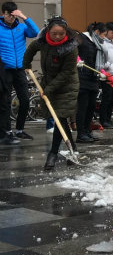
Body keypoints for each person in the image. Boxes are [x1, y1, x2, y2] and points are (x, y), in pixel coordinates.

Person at [22, 17, 80, 170]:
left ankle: (53, 154)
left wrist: (48, 89)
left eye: (61, 34)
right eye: (54, 34)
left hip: (67, 86)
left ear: (66, 32)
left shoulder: (71, 47)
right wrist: (26, 63)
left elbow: (66, 72)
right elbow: (31, 48)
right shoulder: (43, 41)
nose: (58, 37)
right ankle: (73, 149)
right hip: (49, 83)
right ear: (48, 31)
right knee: (60, 119)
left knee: (60, 117)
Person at [0, 2, 40, 144]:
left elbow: (36, 33)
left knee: (25, 100)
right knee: (5, 102)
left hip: (20, 69)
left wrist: (23, 17)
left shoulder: (21, 27)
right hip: (4, 70)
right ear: (3, 14)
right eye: (8, 15)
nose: (11, 17)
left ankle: (19, 130)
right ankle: (6, 132)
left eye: (13, 15)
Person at [75, 22, 108, 143]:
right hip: (82, 77)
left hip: (93, 78)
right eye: (104, 34)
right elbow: (73, 51)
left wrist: (101, 71)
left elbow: (97, 61)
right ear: (97, 32)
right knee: (83, 106)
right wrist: (77, 60)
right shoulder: (82, 38)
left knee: (91, 106)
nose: (104, 38)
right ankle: (81, 133)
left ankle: (87, 130)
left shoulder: (97, 43)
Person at [98, 22, 113, 129]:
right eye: (112, 32)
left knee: (112, 98)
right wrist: (108, 67)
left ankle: (108, 119)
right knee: (106, 98)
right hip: (107, 76)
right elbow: (102, 60)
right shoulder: (103, 43)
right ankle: (103, 120)